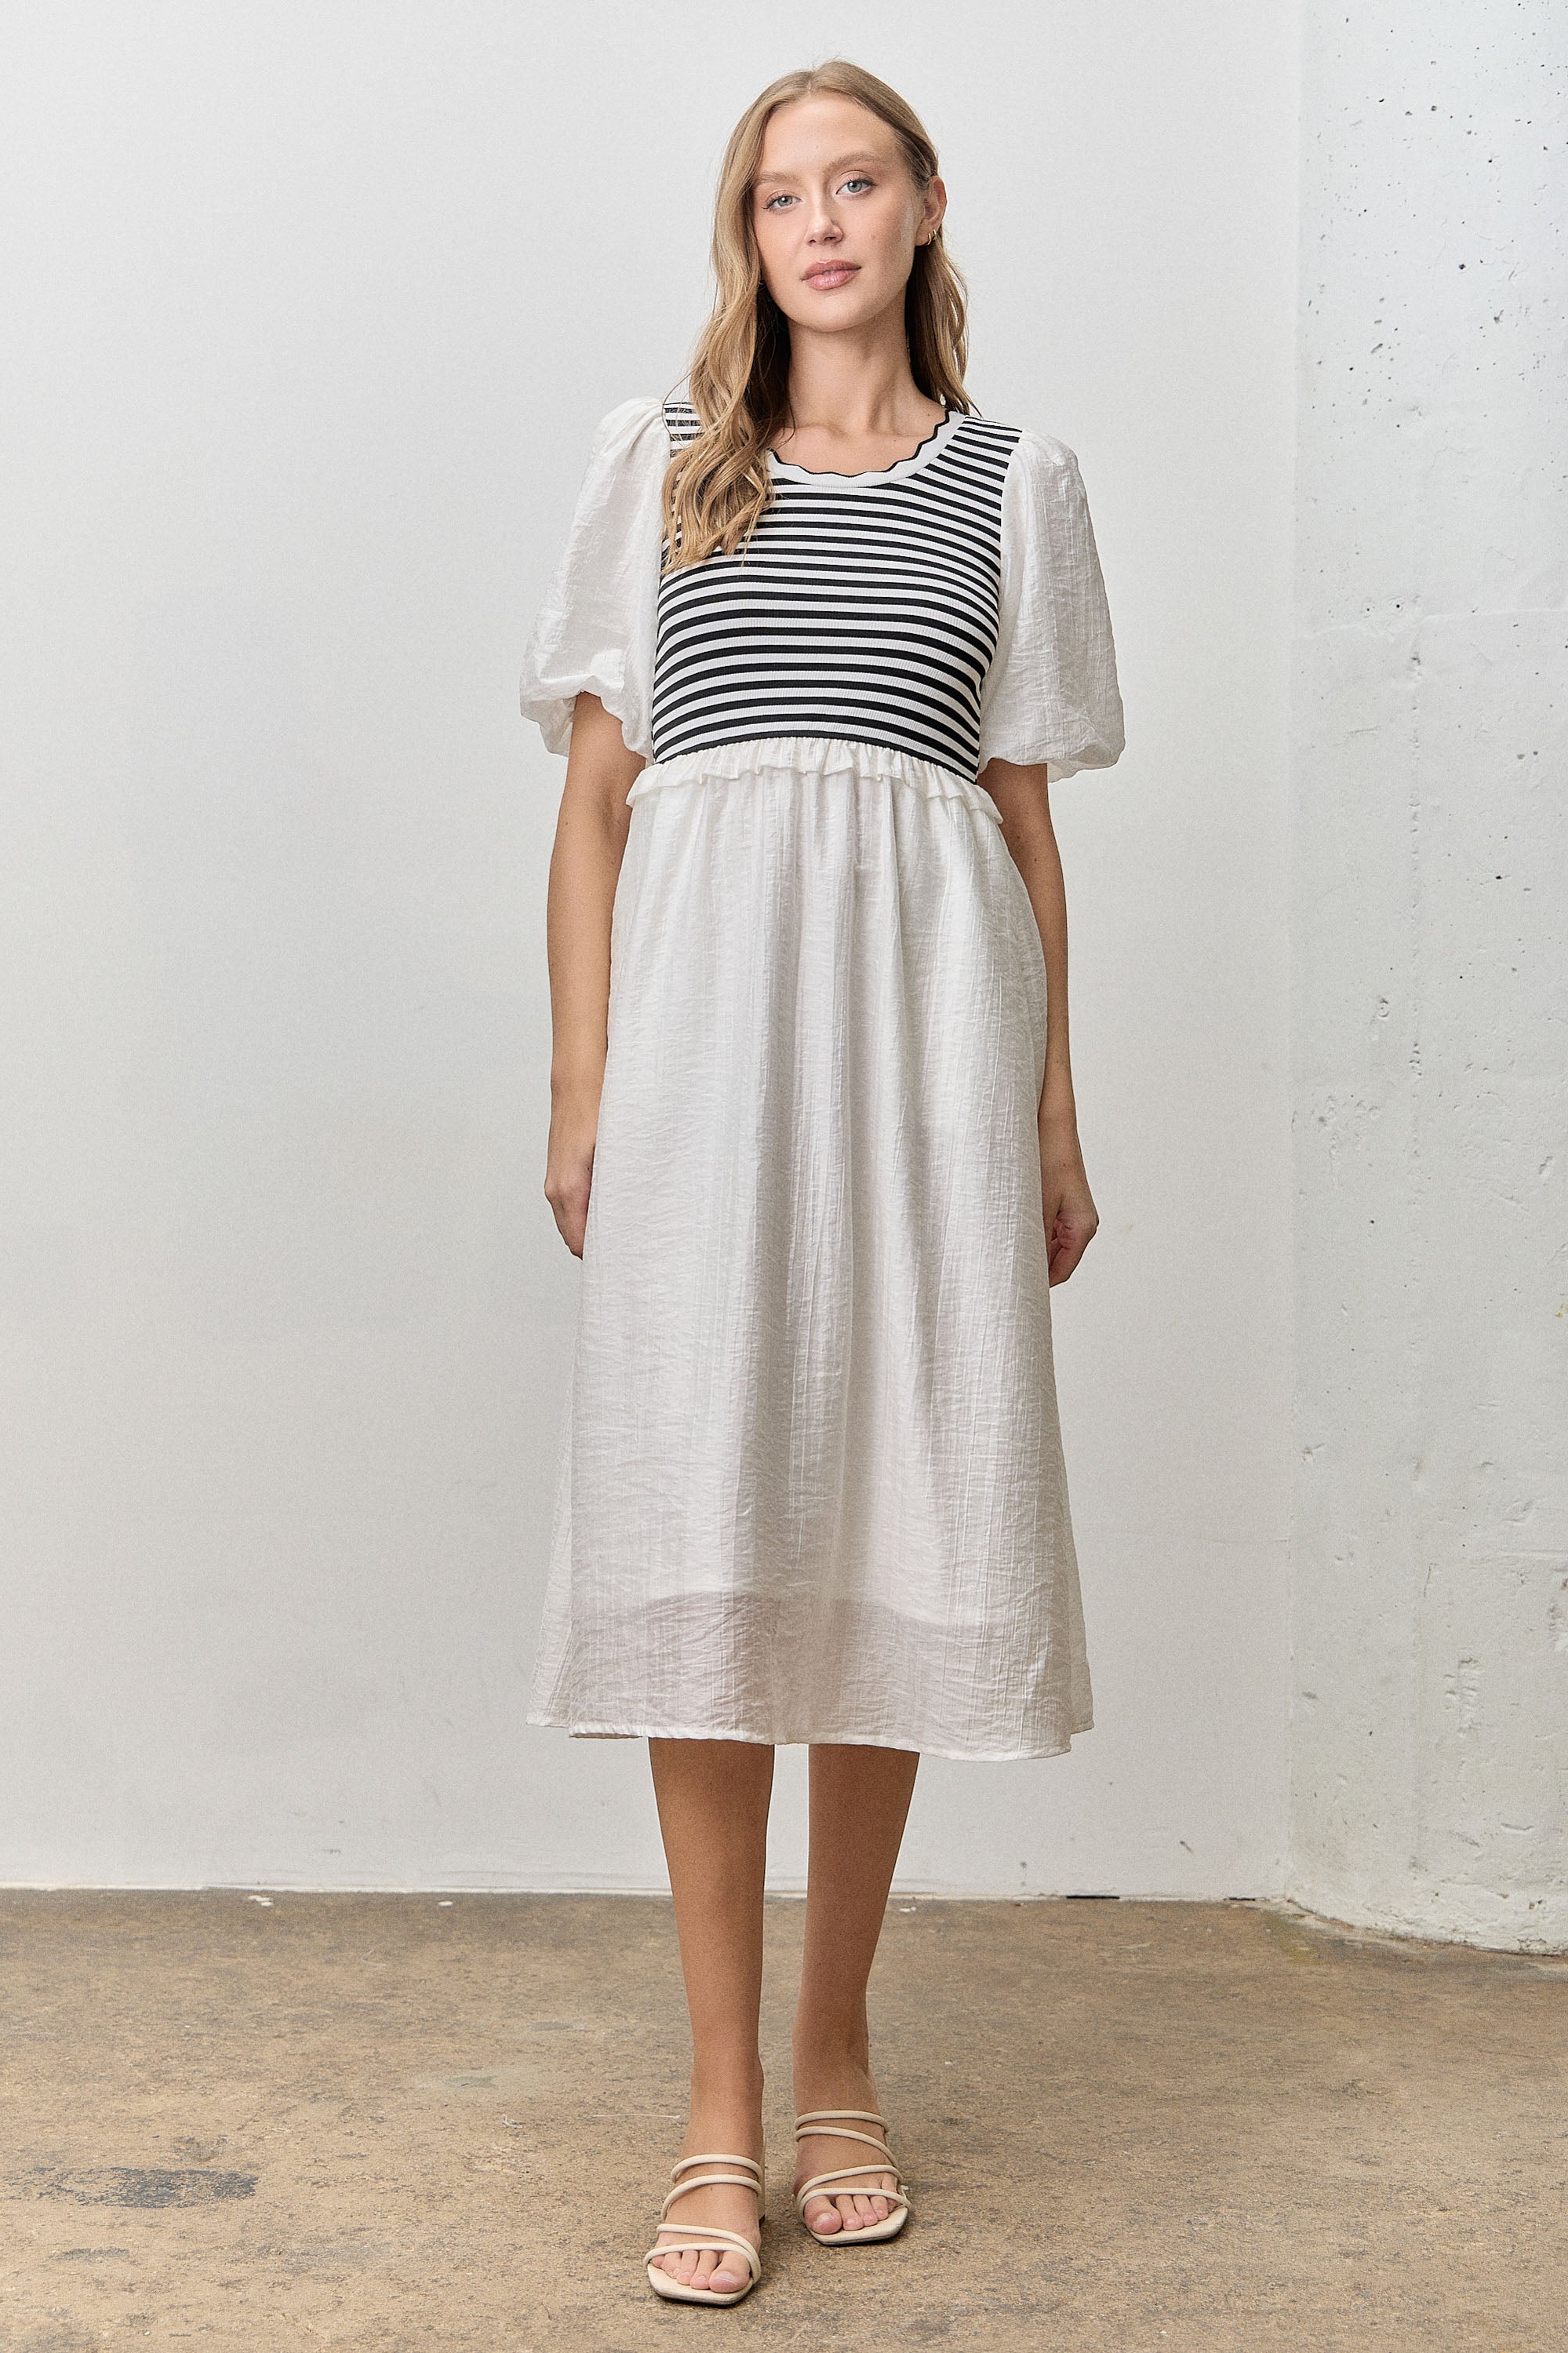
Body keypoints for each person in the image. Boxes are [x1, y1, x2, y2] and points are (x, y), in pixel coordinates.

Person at [518, 58, 1124, 2308]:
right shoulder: (664, 465)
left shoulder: (1016, 483)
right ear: (749, 233)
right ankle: (714, 2103)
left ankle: (836, 2054)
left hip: (926, 1061)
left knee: (887, 1520)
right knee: (708, 1521)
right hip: (707, 1057)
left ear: (924, 203)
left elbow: (1022, 821)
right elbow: (596, 808)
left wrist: (1052, 1111)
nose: (822, 223)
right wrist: (584, 1082)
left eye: (855, 181)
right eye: (782, 195)